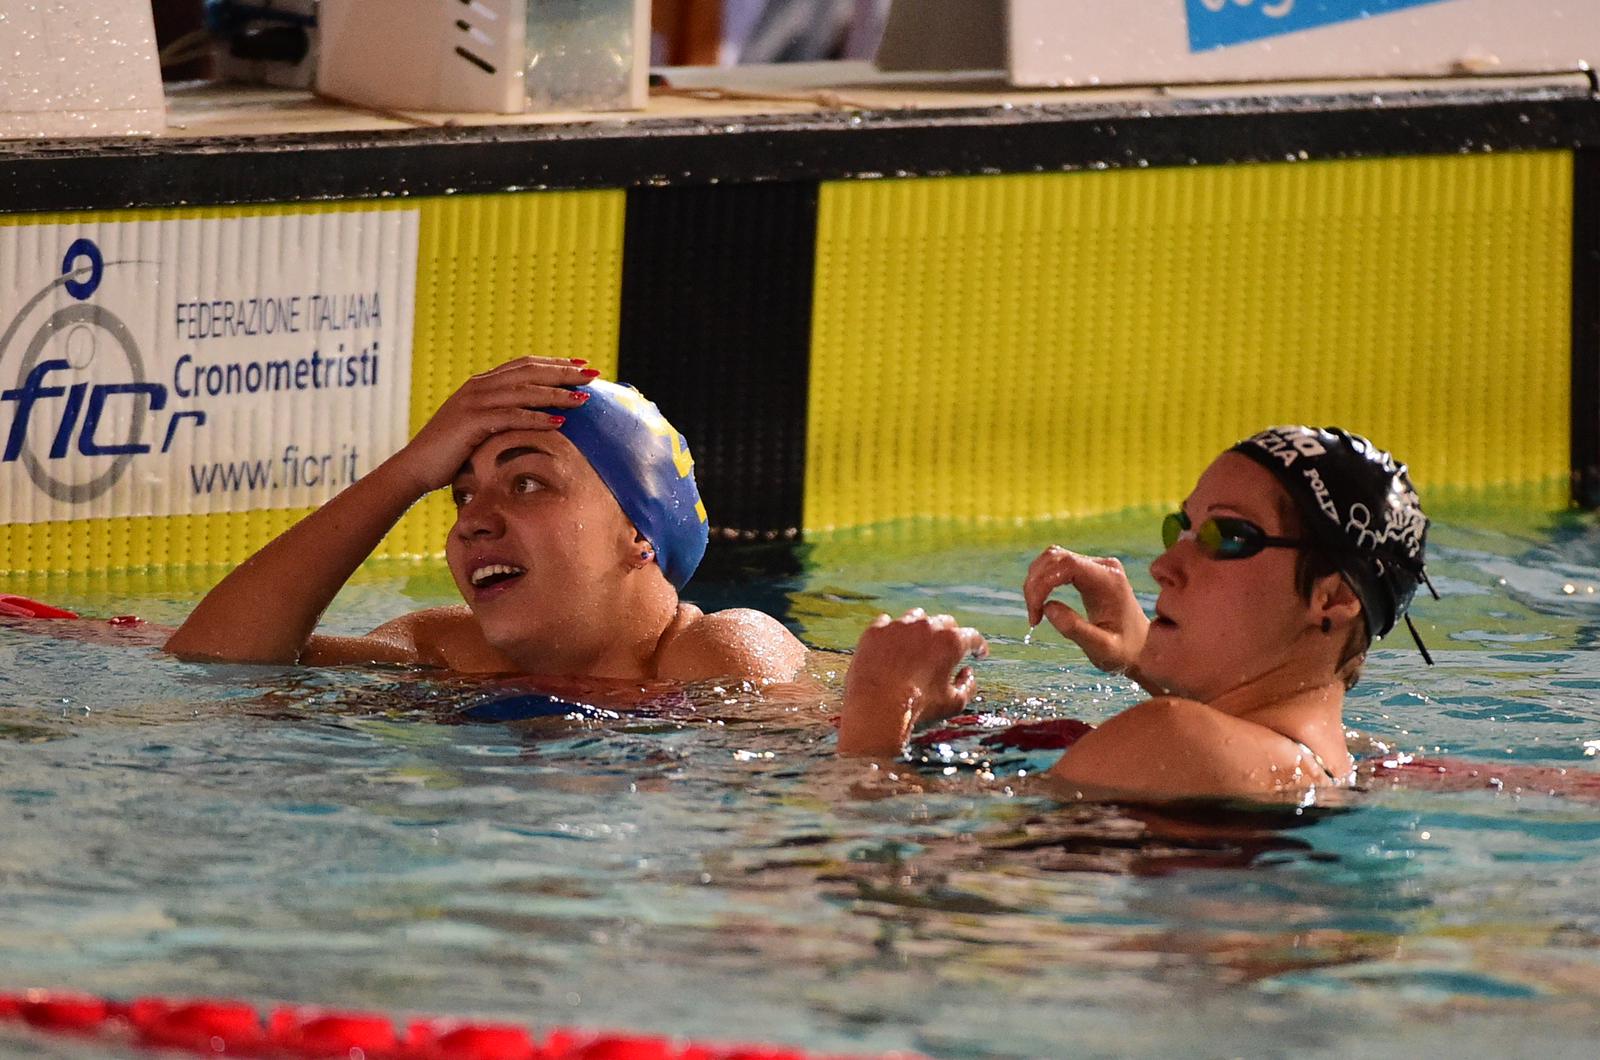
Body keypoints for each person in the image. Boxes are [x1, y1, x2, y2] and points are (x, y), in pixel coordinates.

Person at [837, 425, 1434, 802]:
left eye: (1228, 537)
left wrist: (880, 703)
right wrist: (1149, 657)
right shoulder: (1340, 763)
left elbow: (889, 871)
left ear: (1334, 598)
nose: (1164, 566)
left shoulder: (1178, 739)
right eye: (1182, 528)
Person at [164, 357, 807, 684]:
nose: (473, 522)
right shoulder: (449, 652)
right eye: (461, 495)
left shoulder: (715, 651)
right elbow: (215, 663)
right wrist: (409, 472)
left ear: (640, 532)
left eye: (527, 483)